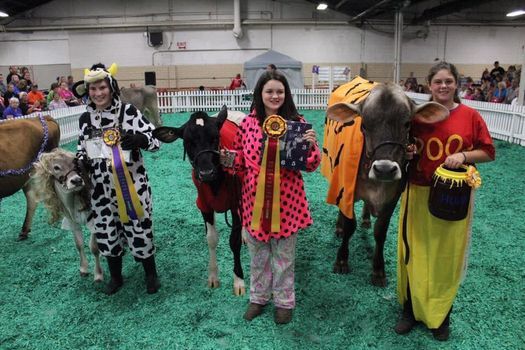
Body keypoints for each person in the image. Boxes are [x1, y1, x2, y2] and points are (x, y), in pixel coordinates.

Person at [395, 61, 495, 341]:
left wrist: (463, 156)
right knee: (413, 253)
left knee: (445, 258)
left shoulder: (470, 116)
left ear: (456, 84)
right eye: (438, 82)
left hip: (453, 198)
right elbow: (402, 146)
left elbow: (488, 151)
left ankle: (441, 316)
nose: (443, 86)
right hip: (418, 191)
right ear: (430, 85)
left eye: (448, 81)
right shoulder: (418, 117)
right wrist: (409, 152)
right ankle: (409, 310)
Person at [224, 70, 320, 324]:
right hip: (253, 202)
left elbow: (310, 165)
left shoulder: (297, 123)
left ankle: (284, 302)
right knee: (257, 256)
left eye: (280, 91)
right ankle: (258, 298)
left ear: (286, 94)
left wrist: (311, 146)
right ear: (260, 94)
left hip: (287, 203)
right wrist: (227, 160)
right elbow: (240, 162)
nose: (275, 96)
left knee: (284, 258)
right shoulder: (248, 124)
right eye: (270, 91)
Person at [74, 63, 161, 295]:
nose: (97, 93)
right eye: (92, 89)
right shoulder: (85, 119)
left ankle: (150, 274)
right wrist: (81, 160)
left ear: (111, 88)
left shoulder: (128, 112)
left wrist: (141, 140)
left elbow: (155, 140)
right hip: (100, 190)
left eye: (102, 87)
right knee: (106, 231)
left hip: (132, 186)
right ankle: (115, 276)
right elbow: (82, 148)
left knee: (139, 227)